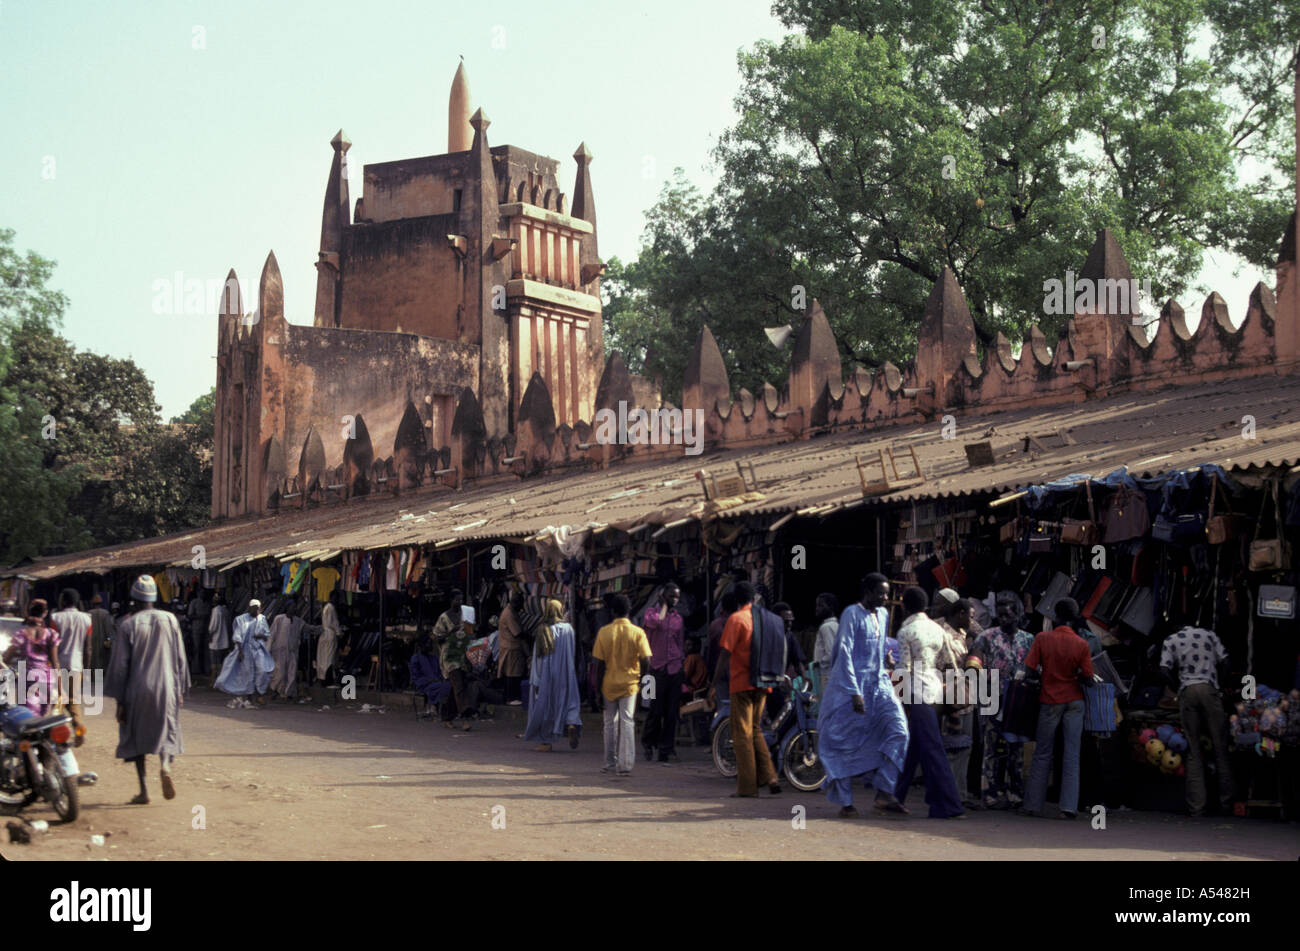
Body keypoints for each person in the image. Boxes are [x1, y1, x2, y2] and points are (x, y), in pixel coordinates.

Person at [817, 574, 909, 817]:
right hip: (850, 687)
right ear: (867, 591)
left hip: (879, 684)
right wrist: (854, 692)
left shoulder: (883, 614)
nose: (886, 598)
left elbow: (878, 647)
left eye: (887, 593)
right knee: (842, 741)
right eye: (881, 593)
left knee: (899, 731)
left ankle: (884, 792)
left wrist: (885, 658)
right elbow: (844, 652)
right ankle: (846, 802)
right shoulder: (851, 614)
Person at [105, 575, 190, 805]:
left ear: (134, 598)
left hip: (137, 689)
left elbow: (120, 665)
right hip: (167, 687)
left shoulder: (128, 624)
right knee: (167, 730)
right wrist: (180, 688)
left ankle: (144, 790)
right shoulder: (170, 620)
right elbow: (179, 657)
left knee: (134, 737)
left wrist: (120, 701)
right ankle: (164, 766)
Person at [893, 586, 966, 819]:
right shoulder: (938, 629)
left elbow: (904, 669)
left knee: (933, 750)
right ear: (924, 605)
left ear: (905, 606)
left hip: (917, 693)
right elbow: (951, 665)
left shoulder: (906, 631)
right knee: (915, 748)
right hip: (935, 690)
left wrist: (900, 701)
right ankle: (893, 797)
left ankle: (950, 806)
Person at [1020, 597, 1096, 820]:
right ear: (1074, 617)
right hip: (1074, 701)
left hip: (1050, 699)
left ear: (1055, 616)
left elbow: (1029, 671)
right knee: (1072, 754)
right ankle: (1068, 808)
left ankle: (1033, 805)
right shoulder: (1082, 644)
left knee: (1043, 752)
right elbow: (1089, 678)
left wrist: (1046, 676)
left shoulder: (1043, 638)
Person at [712, 581, 782, 798]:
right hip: (764, 681)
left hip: (741, 682)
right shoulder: (768, 619)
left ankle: (747, 787)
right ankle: (770, 776)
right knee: (756, 729)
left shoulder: (736, 619)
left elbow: (725, 654)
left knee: (742, 734)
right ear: (755, 598)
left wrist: (713, 684)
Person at [966, 591, 1035, 810]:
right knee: (991, 745)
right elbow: (974, 659)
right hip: (992, 691)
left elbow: (1035, 667)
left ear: (1017, 615)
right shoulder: (986, 636)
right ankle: (990, 792)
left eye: (1007, 615)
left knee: (1016, 746)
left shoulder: (1028, 639)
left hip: (1018, 695)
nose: (1003, 619)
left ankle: (1015, 792)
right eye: (1000, 614)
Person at [1160, 621, 1234, 817]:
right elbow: (1226, 661)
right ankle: (1226, 804)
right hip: (1209, 690)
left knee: (1193, 750)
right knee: (1220, 748)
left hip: (1188, 691)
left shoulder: (1172, 639)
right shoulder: (1210, 635)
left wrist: (1179, 688)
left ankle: (1197, 808)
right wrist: (1220, 686)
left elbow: (1164, 670)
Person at [592, 593, 652, 776]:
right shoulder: (638, 632)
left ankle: (610, 763)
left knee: (609, 723)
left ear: (612, 611)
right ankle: (625, 764)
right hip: (630, 685)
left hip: (609, 684)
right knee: (627, 722)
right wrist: (643, 681)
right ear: (629, 611)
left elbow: (599, 665)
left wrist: (597, 689)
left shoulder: (604, 632)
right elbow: (646, 660)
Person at [935, 596, 978, 809]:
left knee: (964, 748)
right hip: (952, 699)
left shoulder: (964, 634)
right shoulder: (944, 636)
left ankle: (960, 795)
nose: (973, 621)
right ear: (960, 614)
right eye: (970, 617)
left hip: (965, 699)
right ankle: (950, 796)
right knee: (953, 748)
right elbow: (945, 669)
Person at [523, 599, 583, 752]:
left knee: (547, 708)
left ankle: (546, 742)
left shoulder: (543, 629)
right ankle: (571, 723)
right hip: (567, 673)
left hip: (547, 677)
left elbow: (538, 658)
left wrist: (536, 681)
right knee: (570, 701)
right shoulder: (568, 629)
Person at [642, 582, 685, 763]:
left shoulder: (678, 618)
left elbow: (680, 642)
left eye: (676, 597)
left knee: (671, 712)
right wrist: (663, 606)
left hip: (674, 669)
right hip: (653, 670)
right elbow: (656, 623)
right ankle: (648, 742)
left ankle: (666, 748)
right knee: (654, 709)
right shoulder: (651, 613)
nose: (674, 600)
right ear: (663, 596)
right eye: (671, 596)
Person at [2, 599, 59, 715]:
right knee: (41, 716)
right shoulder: (51, 634)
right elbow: (55, 662)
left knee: (28, 716)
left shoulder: (22, 634)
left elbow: (7, 657)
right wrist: (61, 688)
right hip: (47, 678)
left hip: (29, 677)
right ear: (45, 613)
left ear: (28, 612)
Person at [50, 588, 91, 745]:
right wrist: (86, 670)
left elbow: (51, 644)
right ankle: (79, 729)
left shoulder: (55, 618)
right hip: (76, 665)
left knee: (59, 701)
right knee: (73, 702)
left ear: (64, 600)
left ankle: (58, 735)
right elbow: (88, 648)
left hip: (59, 664)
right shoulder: (87, 619)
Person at [215, 599, 273, 708]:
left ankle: (259, 694)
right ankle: (249, 698)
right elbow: (237, 637)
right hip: (245, 649)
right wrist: (241, 652)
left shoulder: (262, 619)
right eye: (254, 609)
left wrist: (260, 636)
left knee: (262, 671)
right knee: (248, 673)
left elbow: (266, 634)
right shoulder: (241, 620)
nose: (256, 611)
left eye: (258, 609)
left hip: (258, 650)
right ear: (250, 608)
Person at [434, 590, 478, 727]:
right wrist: (450, 634)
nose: (459, 603)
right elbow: (436, 637)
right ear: (451, 600)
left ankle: (447, 716)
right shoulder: (444, 617)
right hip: (449, 657)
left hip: (462, 655)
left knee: (457, 687)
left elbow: (471, 634)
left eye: (461, 600)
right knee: (458, 685)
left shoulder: (465, 615)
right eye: (456, 600)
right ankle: (466, 717)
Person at [409, 636, 451, 717]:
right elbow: (415, 676)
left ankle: (440, 708)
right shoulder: (416, 658)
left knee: (449, 685)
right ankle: (433, 706)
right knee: (444, 687)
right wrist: (430, 680)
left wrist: (440, 679)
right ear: (421, 645)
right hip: (423, 684)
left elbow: (440, 673)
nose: (429, 646)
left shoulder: (434, 658)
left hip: (436, 682)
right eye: (427, 644)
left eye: (430, 644)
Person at [497, 592, 527, 705]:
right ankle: (511, 698)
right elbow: (517, 633)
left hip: (510, 647)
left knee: (512, 673)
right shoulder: (509, 614)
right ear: (516, 603)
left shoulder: (511, 611)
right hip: (511, 647)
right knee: (512, 674)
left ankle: (510, 697)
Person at [704, 589, 738, 688]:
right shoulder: (741, 624)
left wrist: (710, 675)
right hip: (737, 674)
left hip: (720, 674)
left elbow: (710, 652)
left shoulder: (715, 625)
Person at [268, 602, 302, 700]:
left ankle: (289, 693)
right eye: (292, 606)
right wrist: (268, 649)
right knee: (280, 673)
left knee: (292, 672)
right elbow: (272, 634)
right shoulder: (279, 619)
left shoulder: (297, 621)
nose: (294, 609)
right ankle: (275, 690)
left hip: (292, 651)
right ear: (287, 608)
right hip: (279, 651)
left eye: (295, 607)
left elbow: (305, 628)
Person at [811, 592, 839, 698]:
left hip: (826, 675)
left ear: (830, 607)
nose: (817, 609)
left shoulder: (827, 627)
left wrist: (817, 663)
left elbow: (831, 654)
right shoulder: (835, 625)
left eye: (821, 605)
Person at [315, 591, 343, 685]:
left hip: (325, 633)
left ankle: (323, 677)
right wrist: (339, 632)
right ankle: (328, 679)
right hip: (330, 634)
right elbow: (334, 623)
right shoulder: (331, 608)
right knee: (329, 658)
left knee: (323, 657)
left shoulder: (326, 607)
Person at [87, 593, 116, 672]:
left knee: (92, 663)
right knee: (101, 663)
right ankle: (99, 682)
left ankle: (92, 681)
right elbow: (108, 630)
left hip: (91, 642)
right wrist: (109, 640)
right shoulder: (105, 613)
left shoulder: (88, 614)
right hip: (103, 642)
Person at [186, 589, 212, 676]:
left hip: (206, 629)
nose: (203, 594)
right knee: (196, 648)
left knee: (205, 649)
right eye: (201, 593)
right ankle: (195, 670)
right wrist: (199, 616)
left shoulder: (208, 603)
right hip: (196, 628)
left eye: (204, 593)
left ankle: (205, 669)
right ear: (198, 593)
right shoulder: (194, 602)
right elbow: (189, 615)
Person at [208, 592, 232, 677]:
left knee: (215, 661)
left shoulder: (216, 610)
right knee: (222, 661)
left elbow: (213, 626)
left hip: (216, 640)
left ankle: (215, 679)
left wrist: (210, 635)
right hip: (224, 641)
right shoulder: (225, 610)